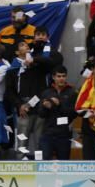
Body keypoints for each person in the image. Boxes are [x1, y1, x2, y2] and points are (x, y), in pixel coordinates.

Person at [14, 27, 63, 158]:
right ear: (34, 37)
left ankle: (39, 168)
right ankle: (20, 167)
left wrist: (34, 60)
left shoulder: (52, 52)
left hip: (43, 102)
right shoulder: (28, 51)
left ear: (47, 37)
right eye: (38, 35)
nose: (40, 37)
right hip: (26, 103)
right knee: (22, 141)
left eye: (43, 35)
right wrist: (19, 104)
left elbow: (54, 62)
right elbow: (14, 85)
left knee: (40, 141)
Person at [38, 66, 78, 161]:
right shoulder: (46, 92)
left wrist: (59, 105)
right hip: (48, 134)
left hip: (64, 135)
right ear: (53, 77)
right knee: (45, 163)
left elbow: (73, 114)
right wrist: (45, 107)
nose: (61, 79)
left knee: (63, 164)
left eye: (63, 76)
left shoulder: (72, 93)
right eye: (59, 76)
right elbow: (41, 114)